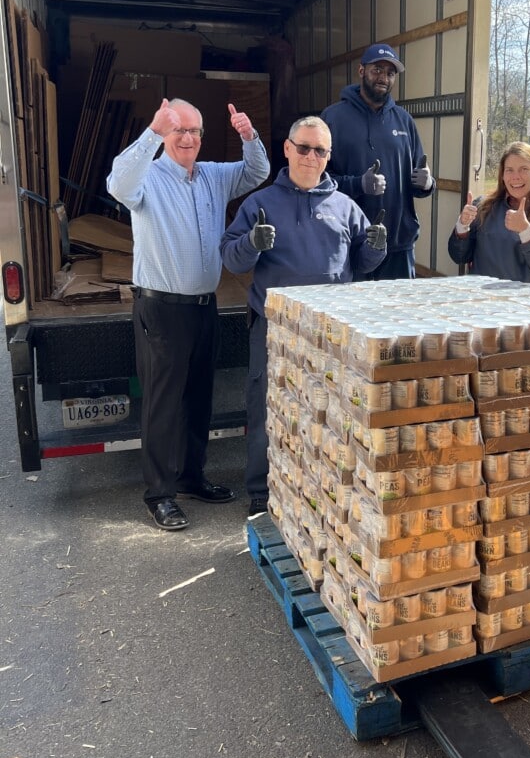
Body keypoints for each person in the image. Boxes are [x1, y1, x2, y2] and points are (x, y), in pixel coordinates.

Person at [106, 97, 270, 531]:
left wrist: (248, 136)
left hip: (203, 305)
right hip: (161, 308)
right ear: (164, 135)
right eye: (178, 130)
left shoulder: (214, 176)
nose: (187, 138)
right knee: (162, 404)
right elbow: (117, 185)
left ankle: (191, 478)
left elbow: (256, 172)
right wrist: (151, 131)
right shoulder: (147, 177)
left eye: (194, 131)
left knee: (199, 398)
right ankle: (158, 494)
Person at [219, 116, 387, 519]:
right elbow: (229, 256)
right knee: (266, 406)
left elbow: (363, 263)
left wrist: (377, 247)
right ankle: (262, 489)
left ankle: (324, 482)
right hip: (275, 327)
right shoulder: (259, 203)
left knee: (331, 410)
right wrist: (251, 243)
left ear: (328, 156)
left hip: (331, 332)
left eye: (321, 150)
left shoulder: (345, 207)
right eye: (305, 147)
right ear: (288, 149)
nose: (312, 157)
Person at [321, 43, 434, 280]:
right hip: (350, 242)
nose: (383, 77)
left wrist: (427, 184)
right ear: (361, 71)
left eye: (390, 73)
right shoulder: (333, 119)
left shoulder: (404, 121)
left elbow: (418, 176)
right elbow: (317, 182)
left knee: (398, 315)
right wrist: (357, 185)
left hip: (397, 243)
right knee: (351, 315)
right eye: (377, 70)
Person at [448, 141, 530, 285]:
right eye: (509, 170)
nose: (516, 176)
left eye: (523, 169)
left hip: (527, 303)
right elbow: (459, 257)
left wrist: (526, 231)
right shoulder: (484, 206)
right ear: (502, 175)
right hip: (484, 301)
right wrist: (462, 226)